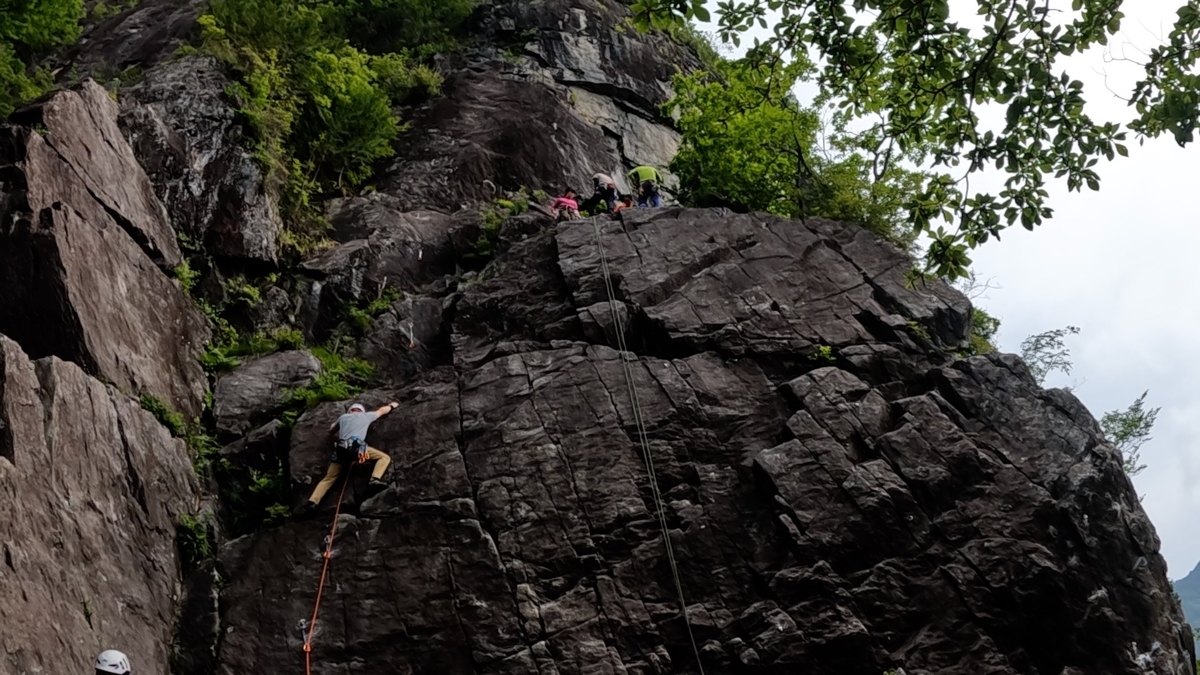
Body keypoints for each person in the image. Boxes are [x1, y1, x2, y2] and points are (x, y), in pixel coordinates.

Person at [295, 402, 398, 516]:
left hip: (341, 450)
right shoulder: (365, 416)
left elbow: (331, 430)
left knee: (329, 478)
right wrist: (392, 406)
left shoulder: (343, 418)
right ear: (361, 411)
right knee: (384, 457)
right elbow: (382, 411)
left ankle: (312, 502)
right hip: (356, 447)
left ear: (350, 411)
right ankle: (374, 479)